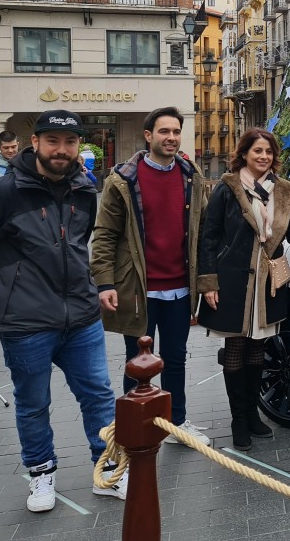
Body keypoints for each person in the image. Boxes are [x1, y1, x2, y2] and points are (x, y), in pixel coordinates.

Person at [0, 110, 127, 512]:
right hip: (26, 321)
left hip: (81, 317)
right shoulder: (1, 193)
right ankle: (41, 474)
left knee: (98, 396)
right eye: (52, 141)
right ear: (34, 143)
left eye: (69, 142)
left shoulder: (86, 190)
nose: (61, 150)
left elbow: (80, 242)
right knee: (33, 403)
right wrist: (15, 281)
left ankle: (105, 471)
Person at [197, 129, 290, 451]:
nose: (263, 157)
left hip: (267, 284)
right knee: (236, 349)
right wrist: (208, 282)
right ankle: (239, 420)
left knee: (258, 349)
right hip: (233, 283)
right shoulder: (228, 189)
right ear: (245, 154)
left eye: (268, 151)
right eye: (257, 151)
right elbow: (208, 238)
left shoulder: (284, 192)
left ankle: (253, 416)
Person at [90, 107, 210, 449]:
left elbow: (204, 233)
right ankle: (136, 427)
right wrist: (105, 282)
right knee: (138, 363)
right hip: (139, 289)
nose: (171, 138)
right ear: (148, 136)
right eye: (164, 132)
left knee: (176, 358)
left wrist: (206, 282)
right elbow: (104, 235)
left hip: (179, 289)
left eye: (176, 132)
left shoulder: (191, 176)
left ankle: (177, 423)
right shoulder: (123, 180)